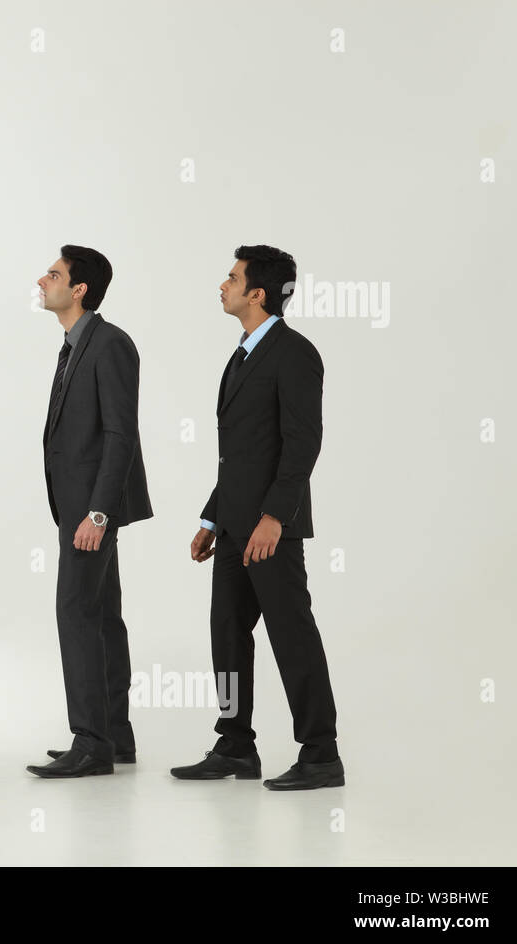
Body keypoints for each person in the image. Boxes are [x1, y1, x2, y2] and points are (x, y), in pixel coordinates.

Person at [172, 245, 344, 790]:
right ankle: (235, 744)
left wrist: (275, 517)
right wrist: (211, 517)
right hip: (232, 527)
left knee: (291, 634)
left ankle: (320, 753)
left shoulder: (294, 354)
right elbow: (240, 454)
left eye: (232, 277)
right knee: (227, 631)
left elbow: (302, 444)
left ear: (257, 293)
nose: (222, 285)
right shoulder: (241, 354)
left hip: (271, 529)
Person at [27, 246, 152, 779]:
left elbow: (122, 434)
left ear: (79, 289)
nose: (43, 279)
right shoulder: (74, 344)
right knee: (100, 616)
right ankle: (114, 737)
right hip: (77, 505)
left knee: (77, 614)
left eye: (54, 274)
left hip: (91, 510)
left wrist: (99, 513)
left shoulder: (111, 345)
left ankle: (91, 742)